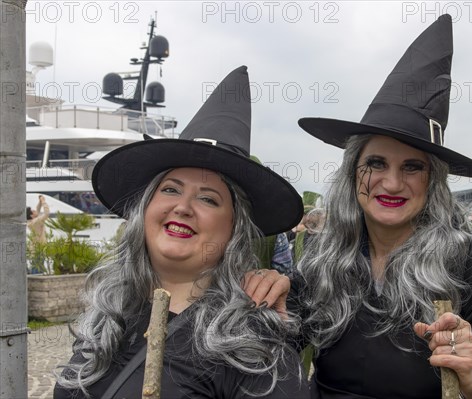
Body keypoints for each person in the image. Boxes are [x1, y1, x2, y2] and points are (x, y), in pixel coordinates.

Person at [285, 15, 472, 398]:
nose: (392, 183)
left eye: (412, 167)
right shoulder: (321, 258)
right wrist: (265, 296)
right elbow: (264, 358)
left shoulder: (471, 265)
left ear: (434, 182)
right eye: (376, 164)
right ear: (353, 173)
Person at [54, 67, 309, 398]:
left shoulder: (255, 348)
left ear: (234, 229)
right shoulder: (108, 316)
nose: (184, 206)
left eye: (208, 198)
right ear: (144, 210)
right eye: (171, 190)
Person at [26, 194, 50, 274]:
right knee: (37, 271)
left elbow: (38, 210)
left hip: (37, 249)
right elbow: (46, 214)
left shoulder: (32, 221)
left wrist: (40, 202)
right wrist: (43, 202)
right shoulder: (36, 222)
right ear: (32, 215)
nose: (35, 211)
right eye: (33, 211)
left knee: (37, 268)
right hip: (38, 250)